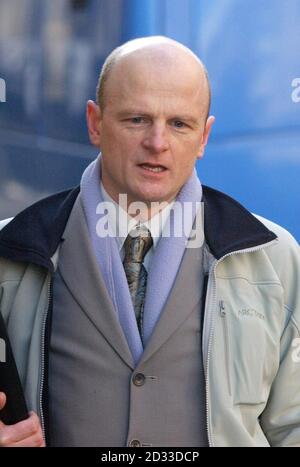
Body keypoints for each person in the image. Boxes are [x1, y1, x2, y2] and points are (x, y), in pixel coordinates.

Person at [0, 36, 299, 448]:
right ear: (95, 123)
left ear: (203, 137)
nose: (157, 143)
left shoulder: (276, 259)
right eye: (137, 119)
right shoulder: (9, 254)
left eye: (179, 123)